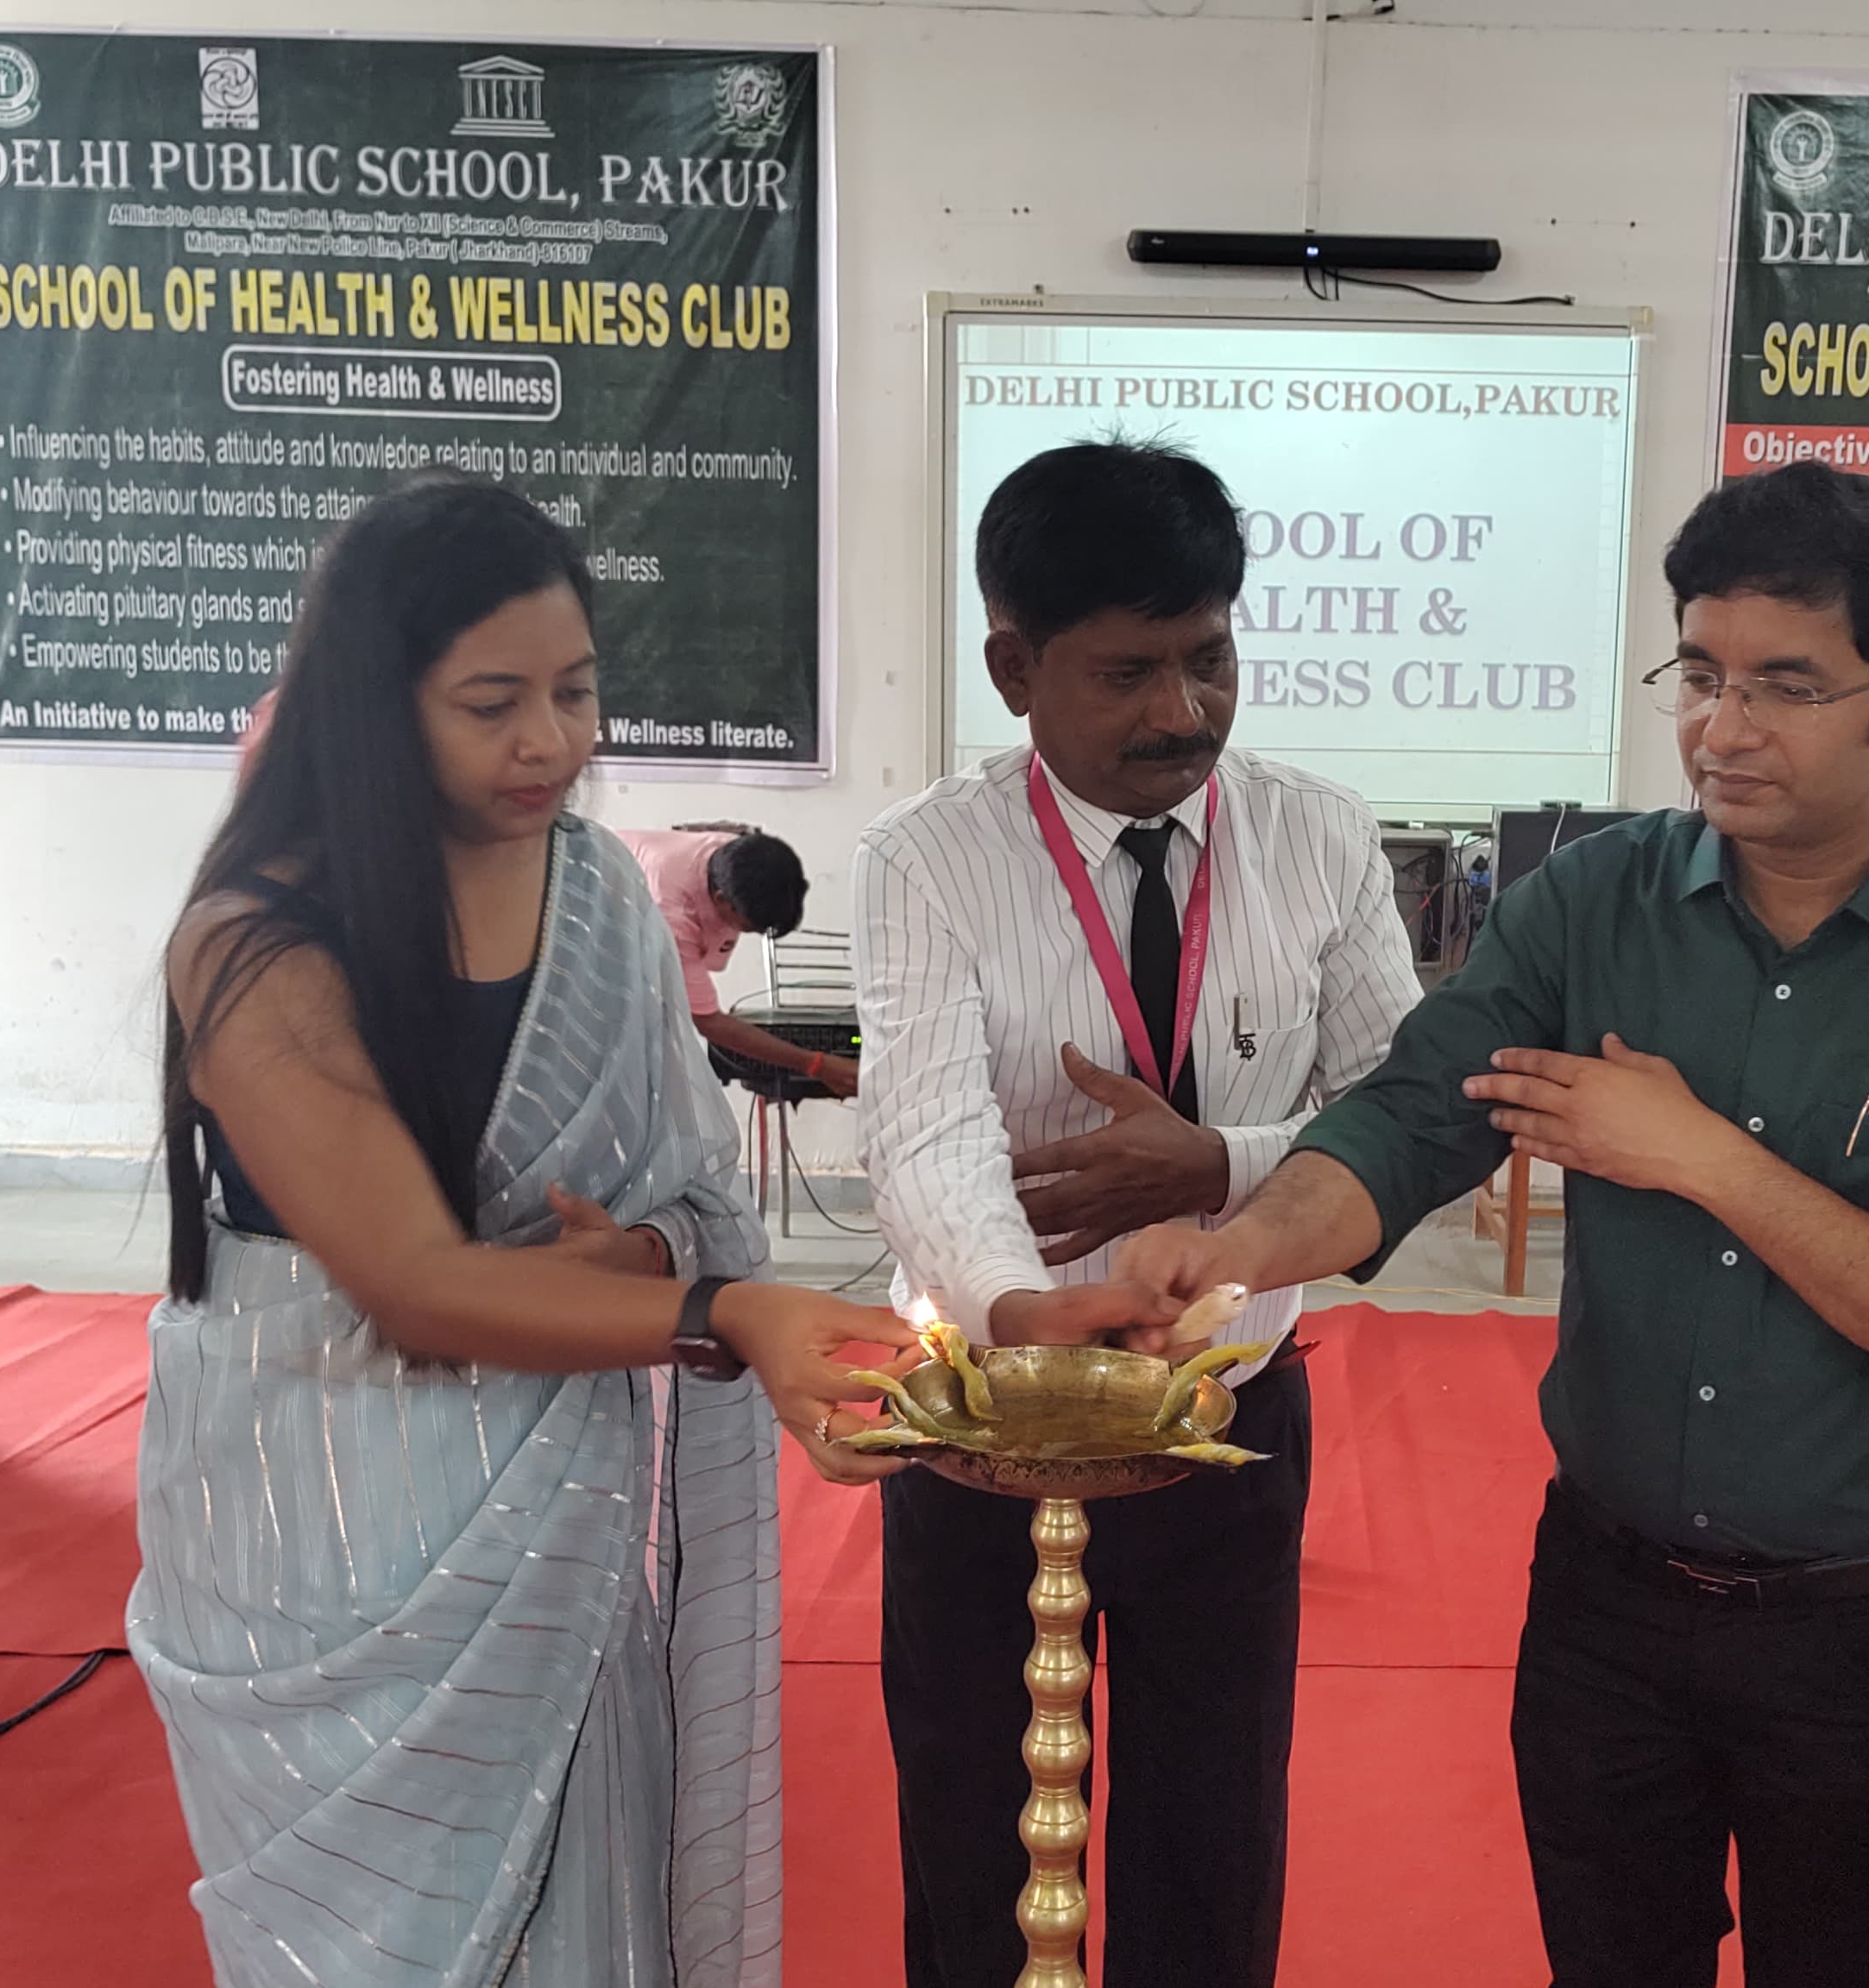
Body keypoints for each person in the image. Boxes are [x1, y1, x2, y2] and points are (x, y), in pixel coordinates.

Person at [1111, 462, 1869, 1988]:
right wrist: (1237, 1249)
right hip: (1606, 1603)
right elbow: (1415, 1114)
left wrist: (1704, 1156)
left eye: (1788, 685)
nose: (1724, 729)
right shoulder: (1597, 901)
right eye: (1701, 674)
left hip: (1864, 1620)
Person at [129, 475, 909, 1988]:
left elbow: (683, 1189)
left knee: (584, 1910)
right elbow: (415, 1285)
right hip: (322, 1525)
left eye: (575, 691)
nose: (549, 741)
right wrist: (725, 1312)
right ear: (373, 704)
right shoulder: (253, 940)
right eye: (492, 703)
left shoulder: (600, 898)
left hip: (558, 1513)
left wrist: (647, 1258)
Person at [852, 439, 1423, 1988]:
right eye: (1127, 673)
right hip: (979, 1419)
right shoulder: (926, 857)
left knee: (1211, 1831)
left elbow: (1404, 1108)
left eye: (1209, 658)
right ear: (1014, 668)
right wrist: (1023, 1323)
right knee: (970, 1825)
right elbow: (923, 1128)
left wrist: (1220, 1165)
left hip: (1223, 1405)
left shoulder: (1318, 834)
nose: (1183, 711)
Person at [614, 821, 858, 1098]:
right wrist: (816, 1064)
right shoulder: (673, 920)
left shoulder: (733, 853)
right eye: (748, 927)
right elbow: (709, 1023)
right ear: (721, 900)